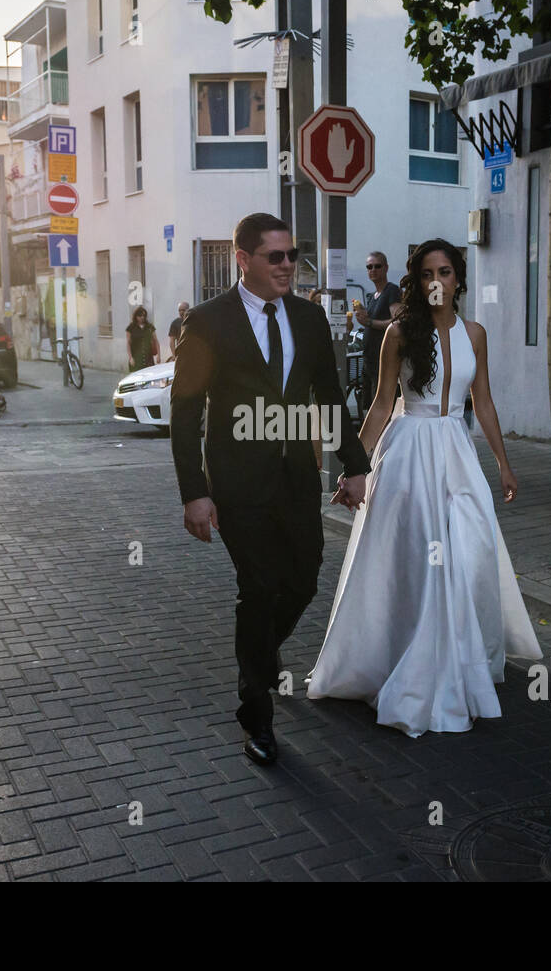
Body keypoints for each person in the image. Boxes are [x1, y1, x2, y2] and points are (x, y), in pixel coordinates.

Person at [306, 239, 541, 737]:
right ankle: (410, 657)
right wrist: (354, 468)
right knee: (417, 560)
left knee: (470, 553)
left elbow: (485, 403)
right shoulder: (398, 332)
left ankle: (458, 653)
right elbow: (378, 406)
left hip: (457, 452)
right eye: (430, 273)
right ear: (418, 280)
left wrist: (503, 463)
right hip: (408, 451)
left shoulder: (475, 333)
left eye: (448, 272)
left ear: (459, 279)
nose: (439, 281)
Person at [171, 212, 369, 767]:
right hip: (237, 486)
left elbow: (330, 399)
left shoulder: (307, 320)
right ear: (243, 259)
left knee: (304, 579)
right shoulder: (209, 322)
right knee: (258, 590)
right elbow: (185, 413)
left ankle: (257, 654)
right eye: (275, 257)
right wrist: (194, 492)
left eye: (292, 255)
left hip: (295, 480)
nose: (288, 266)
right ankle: (255, 710)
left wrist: (353, 467)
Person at [353, 251, 400, 414]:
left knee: (381, 407)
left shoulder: (391, 291)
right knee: (369, 406)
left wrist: (369, 322)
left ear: (386, 268)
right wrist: (364, 315)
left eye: (377, 266)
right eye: (369, 267)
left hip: (383, 359)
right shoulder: (373, 296)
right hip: (369, 359)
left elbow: (397, 322)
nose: (373, 270)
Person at [126, 307, 158, 372]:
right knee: (136, 379)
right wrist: (130, 358)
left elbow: (156, 341)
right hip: (136, 358)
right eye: (140, 315)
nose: (142, 317)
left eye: (144, 316)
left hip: (148, 358)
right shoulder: (131, 328)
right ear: (136, 316)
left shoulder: (150, 327)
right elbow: (128, 343)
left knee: (149, 377)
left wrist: (159, 355)